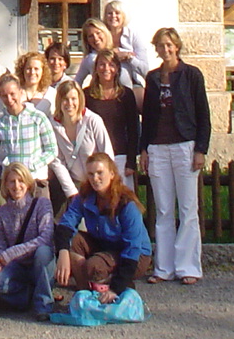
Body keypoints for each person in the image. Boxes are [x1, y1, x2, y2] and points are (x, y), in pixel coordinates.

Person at [139, 27, 210, 286]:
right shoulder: (153, 77)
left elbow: (203, 114)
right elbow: (146, 116)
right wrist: (144, 148)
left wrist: (200, 148)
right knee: (164, 210)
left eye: (169, 45)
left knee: (189, 209)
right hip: (158, 147)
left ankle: (188, 267)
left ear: (176, 47)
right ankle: (164, 268)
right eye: (161, 45)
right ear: (156, 49)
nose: (165, 49)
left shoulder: (191, 75)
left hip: (185, 146)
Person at [54, 153, 151, 300]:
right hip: (105, 245)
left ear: (112, 174)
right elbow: (66, 224)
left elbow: (133, 247)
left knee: (94, 266)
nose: (95, 178)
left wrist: (117, 287)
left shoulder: (126, 203)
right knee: (73, 242)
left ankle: (114, 291)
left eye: (100, 173)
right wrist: (62, 252)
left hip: (136, 255)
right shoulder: (85, 196)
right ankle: (85, 292)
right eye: (91, 174)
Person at [0, 162, 55, 321]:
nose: (17, 186)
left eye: (21, 181)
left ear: (28, 183)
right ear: (6, 185)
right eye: (12, 181)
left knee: (43, 251)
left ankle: (43, 305)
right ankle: (26, 297)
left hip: (39, 263)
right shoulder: (2, 212)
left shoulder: (42, 204)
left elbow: (45, 237)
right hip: (16, 266)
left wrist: (9, 254)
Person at [48, 80, 113, 215]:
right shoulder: (52, 125)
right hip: (73, 183)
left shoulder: (93, 120)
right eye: (65, 99)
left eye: (73, 99)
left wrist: (105, 185)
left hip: (97, 182)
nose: (70, 104)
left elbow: (106, 154)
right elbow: (57, 160)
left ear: (80, 100)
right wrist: (72, 192)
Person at [0, 75, 57, 195]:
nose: (9, 99)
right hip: (12, 185)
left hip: (36, 181)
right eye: (4, 96)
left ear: (20, 92)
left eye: (12, 94)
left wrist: (32, 165)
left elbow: (52, 150)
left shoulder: (38, 117)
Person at [84, 51, 140, 189]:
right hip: (95, 156)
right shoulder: (86, 95)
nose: (106, 68)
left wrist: (131, 162)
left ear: (117, 69)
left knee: (122, 200)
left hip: (120, 155)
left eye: (111, 64)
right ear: (96, 68)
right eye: (102, 64)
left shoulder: (126, 95)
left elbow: (134, 129)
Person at [16, 52, 53, 116]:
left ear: (43, 71)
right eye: (28, 69)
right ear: (22, 70)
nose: (32, 72)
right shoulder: (14, 92)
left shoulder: (51, 94)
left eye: (36, 69)